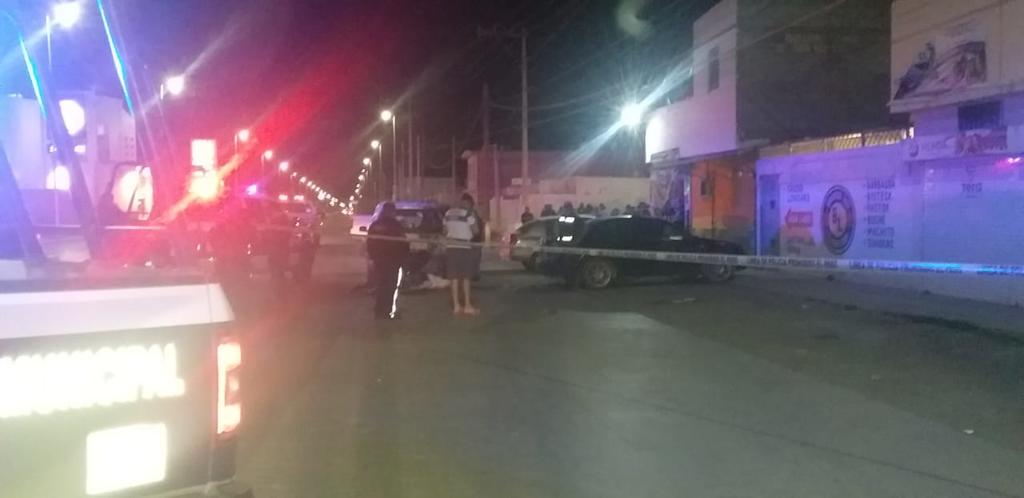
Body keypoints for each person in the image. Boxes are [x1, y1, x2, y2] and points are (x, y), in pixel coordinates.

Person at [366, 202, 410, 319]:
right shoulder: (396, 225)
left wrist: (372, 256)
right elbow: (403, 242)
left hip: (379, 260)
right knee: (391, 286)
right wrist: (404, 256)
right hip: (393, 259)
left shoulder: (375, 225)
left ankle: (378, 310)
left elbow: (369, 242)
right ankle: (387, 311)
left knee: (380, 285)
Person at [444, 193, 481, 315]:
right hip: (464, 247)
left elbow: (444, 230)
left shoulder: (448, 213)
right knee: (466, 277)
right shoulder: (469, 214)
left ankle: (456, 306)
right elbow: (476, 231)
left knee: (454, 277)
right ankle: (467, 305)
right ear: (469, 203)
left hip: (450, 247)